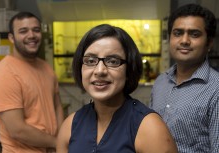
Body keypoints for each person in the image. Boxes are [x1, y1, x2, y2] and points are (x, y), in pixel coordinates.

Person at [56, 24, 178, 153]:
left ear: (129, 70)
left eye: (113, 61)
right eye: (90, 61)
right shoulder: (70, 126)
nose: (100, 71)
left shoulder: (149, 127)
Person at [0, 12, 64, 153]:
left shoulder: (46, 67)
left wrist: (59, 139)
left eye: (36, 30)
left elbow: (57, 106)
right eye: (23, 31)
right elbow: (17, 130)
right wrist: (57, 143)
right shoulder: (4, 74)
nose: (31, 35)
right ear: (12, 37)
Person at [150, 3, 219, 153]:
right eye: (178, 33)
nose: (184, 40)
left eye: (194, 34)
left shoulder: (216, 89)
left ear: (209, 43)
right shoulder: (160, 82)